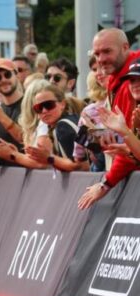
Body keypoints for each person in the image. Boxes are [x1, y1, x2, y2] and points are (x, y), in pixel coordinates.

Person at [78, 29, 140, 210]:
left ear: (125, 47)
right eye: (97, 53)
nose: (101, 59)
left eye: (107, 51)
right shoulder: (117, 80)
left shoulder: (126, 84)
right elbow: (133, 145)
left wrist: (106, 183)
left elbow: (133, 148)